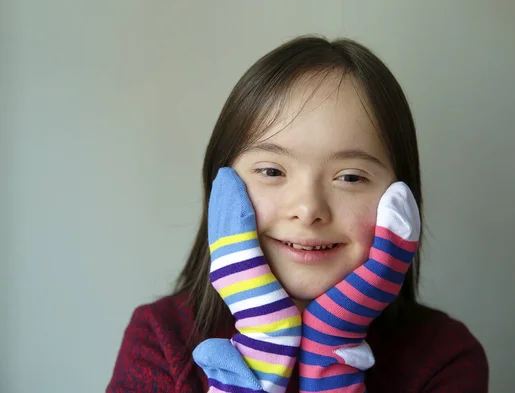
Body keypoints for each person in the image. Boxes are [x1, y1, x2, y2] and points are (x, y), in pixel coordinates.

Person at [107, 36, 489, 393]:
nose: (308, 210)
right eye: (272, 171)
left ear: (402, 203)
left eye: (351, 177)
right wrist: (262, 346)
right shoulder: (161, 337)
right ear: (221, 188)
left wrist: (332, 356)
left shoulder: (444, 356)